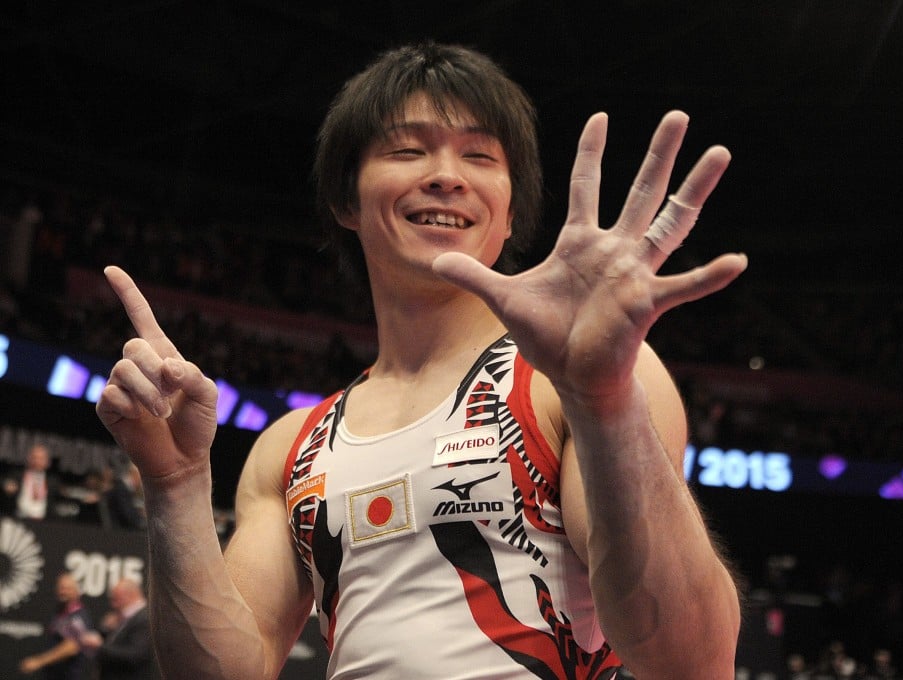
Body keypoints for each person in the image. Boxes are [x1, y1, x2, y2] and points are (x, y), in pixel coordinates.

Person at [95, 42, 746, 679]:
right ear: (346, 200)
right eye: (408, 150)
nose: (446, 175)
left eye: (479, 155)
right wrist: (175, 485)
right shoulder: (290, 447)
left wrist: (604, 403)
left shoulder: (577, 383)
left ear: (511, 211)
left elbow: (689, 664)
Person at [18, 572, 94, 680]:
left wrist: (39, 661)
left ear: (77, 592)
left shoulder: (78, 617)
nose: (63, 592)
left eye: (67, 589)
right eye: (61, 588)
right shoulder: (60, 612)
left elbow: (72, 646)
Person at [79, 579, 156, 680]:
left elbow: (135, 655)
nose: (113, 605)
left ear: (130, 595)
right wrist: (106, 630)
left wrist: (99, 647)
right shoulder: (126, 618)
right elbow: (117, 643)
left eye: (116, 599)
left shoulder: (144, 618)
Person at [2, 443, 55, 520]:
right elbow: (5, 482)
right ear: (29, 459)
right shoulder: (17, 475)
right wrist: (6, 485)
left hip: (43, 521)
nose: (37, 461)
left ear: (48, 462)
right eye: (34, 457)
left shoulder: (53, 481)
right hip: (18, 519)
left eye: (41, 458)